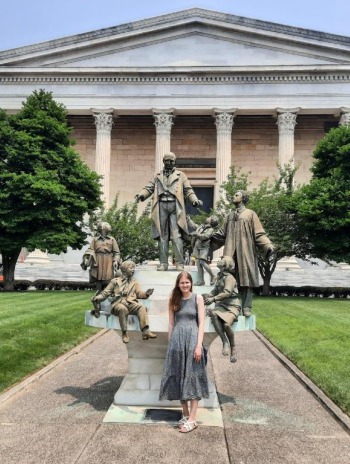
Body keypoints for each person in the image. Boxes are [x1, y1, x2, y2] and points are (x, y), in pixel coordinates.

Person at [159, 272, 209, 433]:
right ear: (178, 284)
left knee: (193, 377)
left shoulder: (198, 299)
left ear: (191, 283)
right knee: (180, 376)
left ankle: (193, 419)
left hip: (193, 341)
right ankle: (185, 414)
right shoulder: (173, 300)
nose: (185, 285)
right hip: (177, 342)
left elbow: (201, 324)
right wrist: (170, 344)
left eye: (187, 282)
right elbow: (171, 323)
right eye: (182, 283)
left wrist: (198, 345)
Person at [135, 152, 203, 272]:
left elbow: (188, 190)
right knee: (163, 235)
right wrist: (141, 195)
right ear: (163, 161)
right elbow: (149, 187)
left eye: (172, 161)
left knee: (176, 235)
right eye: (167, 160)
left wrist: (194, 200)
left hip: (175, 206)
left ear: (174, 162)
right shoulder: (157, 176)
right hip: (161, 206)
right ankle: (163, 263)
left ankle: (180, 263)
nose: (170, 163)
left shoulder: (181, 175)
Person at [213, 191, 274, 316]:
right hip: (230, 252)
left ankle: (246, 307)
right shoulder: (229, 215)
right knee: (225, 278)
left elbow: (259, 233)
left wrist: (267, 245)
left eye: (237, 195)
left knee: (246, 280)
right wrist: (206, 237)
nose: (234, 196)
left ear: (243, 198)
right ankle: (226, 305)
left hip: (245, 251)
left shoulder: (250, 214)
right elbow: (221, 234)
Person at [92, 260, 157, 343]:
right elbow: (105, 293)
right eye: (131, 268)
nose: (133, 270)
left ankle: (145, 331)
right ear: (124, 269)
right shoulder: (115, 281)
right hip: (118, 304)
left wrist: (146, 294)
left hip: (130, 303)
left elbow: (139, 294)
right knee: (123, 309)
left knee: (141, 307)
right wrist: (98, 298)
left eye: (134, 268)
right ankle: (124, 333)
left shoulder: (134, 282)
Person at [203, 256, 240, 363]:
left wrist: (213, 299)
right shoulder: (220, 276)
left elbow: (227, 292)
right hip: (222, 305)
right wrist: (209, 295)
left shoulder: (230, 278)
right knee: (214, 313)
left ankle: (233, 347)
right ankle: (224, 341)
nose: (218, 260)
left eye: (221, 259)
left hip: (232, 305)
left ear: (225, 264)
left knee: (226, 325)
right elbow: (215, 290)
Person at [81, 222, 121, 294]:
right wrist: (87, 258)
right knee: (98, 280)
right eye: (107, 225)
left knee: (109, 279)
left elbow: (117, 253)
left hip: (108, 261)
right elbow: (90, 250)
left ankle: (109, 296)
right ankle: (98, 298)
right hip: (98, 261)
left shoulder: (112, 239)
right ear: (103, 228)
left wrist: (115, 261)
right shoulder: (95, 240)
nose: (110, 226)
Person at [187, 215, 219, 286]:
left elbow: (206, 236)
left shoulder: (210, 229)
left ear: (212, 221)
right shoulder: (201, 226)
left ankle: (213, 275)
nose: (208, 217)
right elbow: (194, 225)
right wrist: (189, 219)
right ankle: (201, 280)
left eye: (210, 217)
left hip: (204, 247)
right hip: (197, 246)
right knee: (198, 263)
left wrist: (196, 234)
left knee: (202, 262)